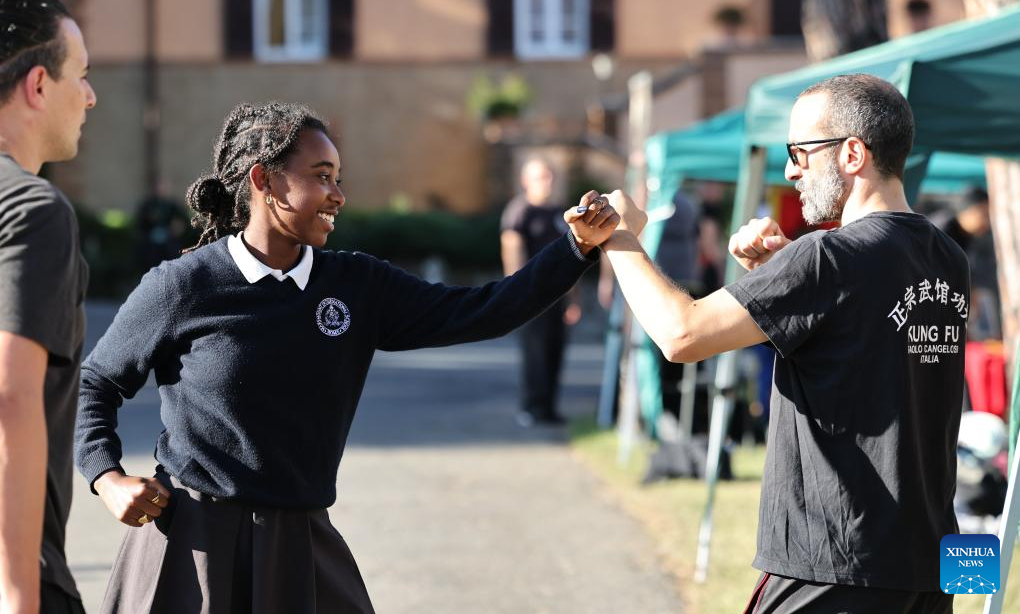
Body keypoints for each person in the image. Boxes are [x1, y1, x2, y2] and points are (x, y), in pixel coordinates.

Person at [74, 102, 618, 613]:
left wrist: (574, 250)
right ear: (264, 181)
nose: (337, 194)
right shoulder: (184, 285)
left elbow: (481, 311)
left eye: (338, 178)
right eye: (321, 175)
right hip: (194, 547)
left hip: (301, 538)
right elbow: (95, 381)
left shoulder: (357, 285)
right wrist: (107, 477)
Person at [599, 74, 966, 613]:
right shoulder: (944, 256)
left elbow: (681, 334)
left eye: (800, 151)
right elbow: (855, 345)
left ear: (853, 153)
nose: (791, 169)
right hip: (924, 568)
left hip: (830, 566)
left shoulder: (824, 257)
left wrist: (619, 236)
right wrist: (777, 274)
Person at [0, 0, 96, 614]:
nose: (89, 97)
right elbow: (9, 396)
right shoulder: (32, 209)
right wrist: (19, 595)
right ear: (38, 85)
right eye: (80, 75)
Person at [500, 157, 580, 426]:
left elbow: (573, 255)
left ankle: (549, 407)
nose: (546, 182)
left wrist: (573, 299)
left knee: (555, 351)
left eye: (549, 176)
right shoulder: (520, 211)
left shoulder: (560, 213)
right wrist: (518, 292)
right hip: (531, 295)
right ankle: (532, 406)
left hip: (557, 296)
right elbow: (512, 250)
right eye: (539, 177)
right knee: (534, 354)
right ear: (526, 181)